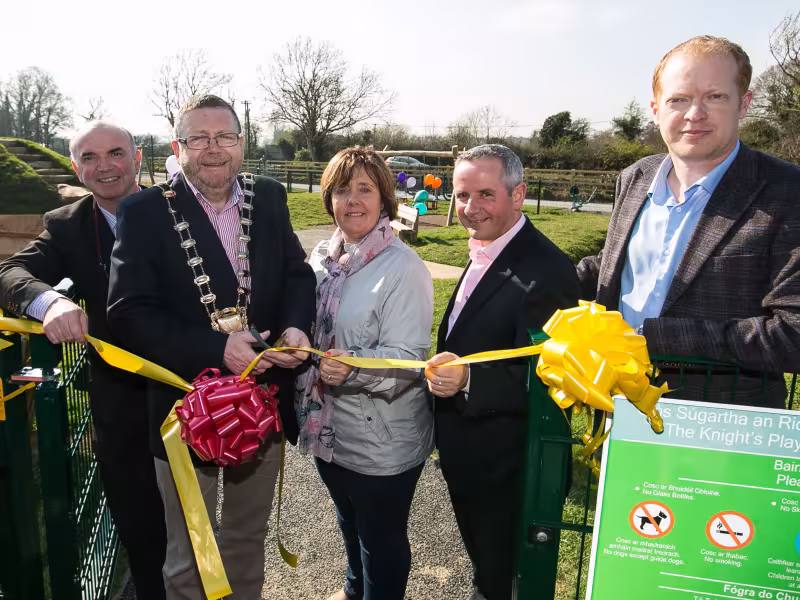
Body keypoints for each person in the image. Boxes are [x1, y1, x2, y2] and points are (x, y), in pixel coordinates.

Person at [106, 94, 317, 599]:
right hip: (182, 411)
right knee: (188, 553)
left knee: (246, 539)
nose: (213, 148)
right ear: (177, 148)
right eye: (198, 138)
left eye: (224, 136)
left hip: (262, 405)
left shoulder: (269, 197)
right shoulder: (143, 212)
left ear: (242, 144)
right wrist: (215, 348)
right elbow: (127, 314)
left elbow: (297, 274)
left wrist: (295, 327)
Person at [576, 36, 800, 409]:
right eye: (678, 99)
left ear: (744, 104)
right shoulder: (636, 177)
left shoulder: (788, 191)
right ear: (656, 109)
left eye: (715, 97)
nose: (695, 114)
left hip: (718, 426)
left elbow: (793, 333)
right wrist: (528, 274)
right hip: (616, 408)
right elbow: (617, 266)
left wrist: (654, 338)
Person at [0, 121, 168, 598]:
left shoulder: (178, 208)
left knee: (204, 519)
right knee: (139, 523)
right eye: (89, 158)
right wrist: (49, 302)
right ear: (76, 168)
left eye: (116, 153)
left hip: (190, 390)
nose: (104, 166)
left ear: (137, 158)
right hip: (120, 399)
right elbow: (10, 271)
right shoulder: (67, 225)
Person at [424, 144, 580, 600]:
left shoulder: (546, 270)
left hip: (509, 466)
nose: (471, 208)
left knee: (503, 576)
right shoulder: (488, 247)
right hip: (472, 453)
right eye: (462, 195)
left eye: (486, 194)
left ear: (518, 195)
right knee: (486, 568)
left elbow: (553, 376)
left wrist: (469, 380)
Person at [296, 147, 434, 600]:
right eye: (342, 189)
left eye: (365, 189)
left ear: (384, 199)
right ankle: (355, 589)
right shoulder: (323, 256)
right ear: (328, 198)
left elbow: (408, 357)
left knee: (381, 538)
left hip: (382, 435)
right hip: (328, 425)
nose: (352, 200)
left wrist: (352, 363)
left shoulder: (403, 267)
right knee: (348, 518)